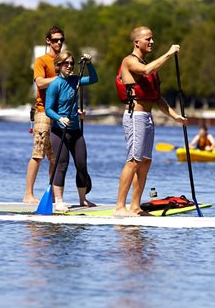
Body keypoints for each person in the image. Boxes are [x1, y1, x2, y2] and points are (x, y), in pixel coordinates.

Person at [114, 26, 187, 217]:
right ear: (137, 42)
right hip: (135, 117)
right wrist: (169, 54)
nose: (152, 42)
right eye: (148, 39)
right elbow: (146, 70)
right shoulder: (129, 61)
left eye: (152, 38)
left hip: (147, 117)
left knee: (145, 162)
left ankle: (135, 206)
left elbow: (156, 97)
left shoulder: (149, 66)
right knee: (133, 161)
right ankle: (120, 207)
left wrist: (175, 116)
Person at [44, 50, 97, 212]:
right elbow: (48, 109)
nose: (70, 66)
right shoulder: (55, 84)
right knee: (62, 165)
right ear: (59, 66)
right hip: (59, 131)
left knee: (81, 164)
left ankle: (83, 199)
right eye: (66, 63)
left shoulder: (76, 80)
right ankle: (59, 201)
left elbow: (94, 79)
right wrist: (59, 118)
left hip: (75, 130)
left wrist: (89, 64)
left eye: (72, 63)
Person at [23, 26, 63, 204]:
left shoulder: (64, 61)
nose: (59, 43)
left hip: (60, 114)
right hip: (42, 112)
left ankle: (53, 195)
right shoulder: (41, 61)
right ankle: (28, 195)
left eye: (61, 39)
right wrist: (60, 77)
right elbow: (40, 83)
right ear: (48, 41)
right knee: (38, 153)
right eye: (55, 40)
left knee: (56, 157)